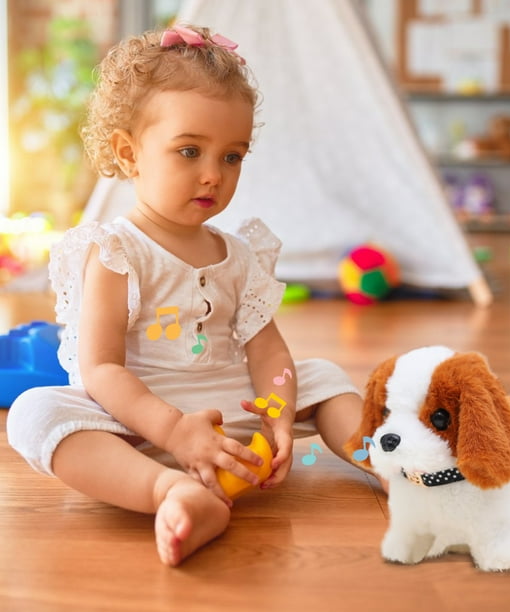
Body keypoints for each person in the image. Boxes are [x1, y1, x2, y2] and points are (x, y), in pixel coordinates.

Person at [7, 24, 365, 567]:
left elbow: (267, 349)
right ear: (129, 154)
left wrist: (279, 413)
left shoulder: (239, 252)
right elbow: (101, 369)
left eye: (232, 157)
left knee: (326, 378)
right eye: (190, 151)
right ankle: (168, 491)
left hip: (234, 409)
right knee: (33, 413)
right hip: (136, 423)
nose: (212, 176)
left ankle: (393, 463)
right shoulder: (114, 251)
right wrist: (173, 430)